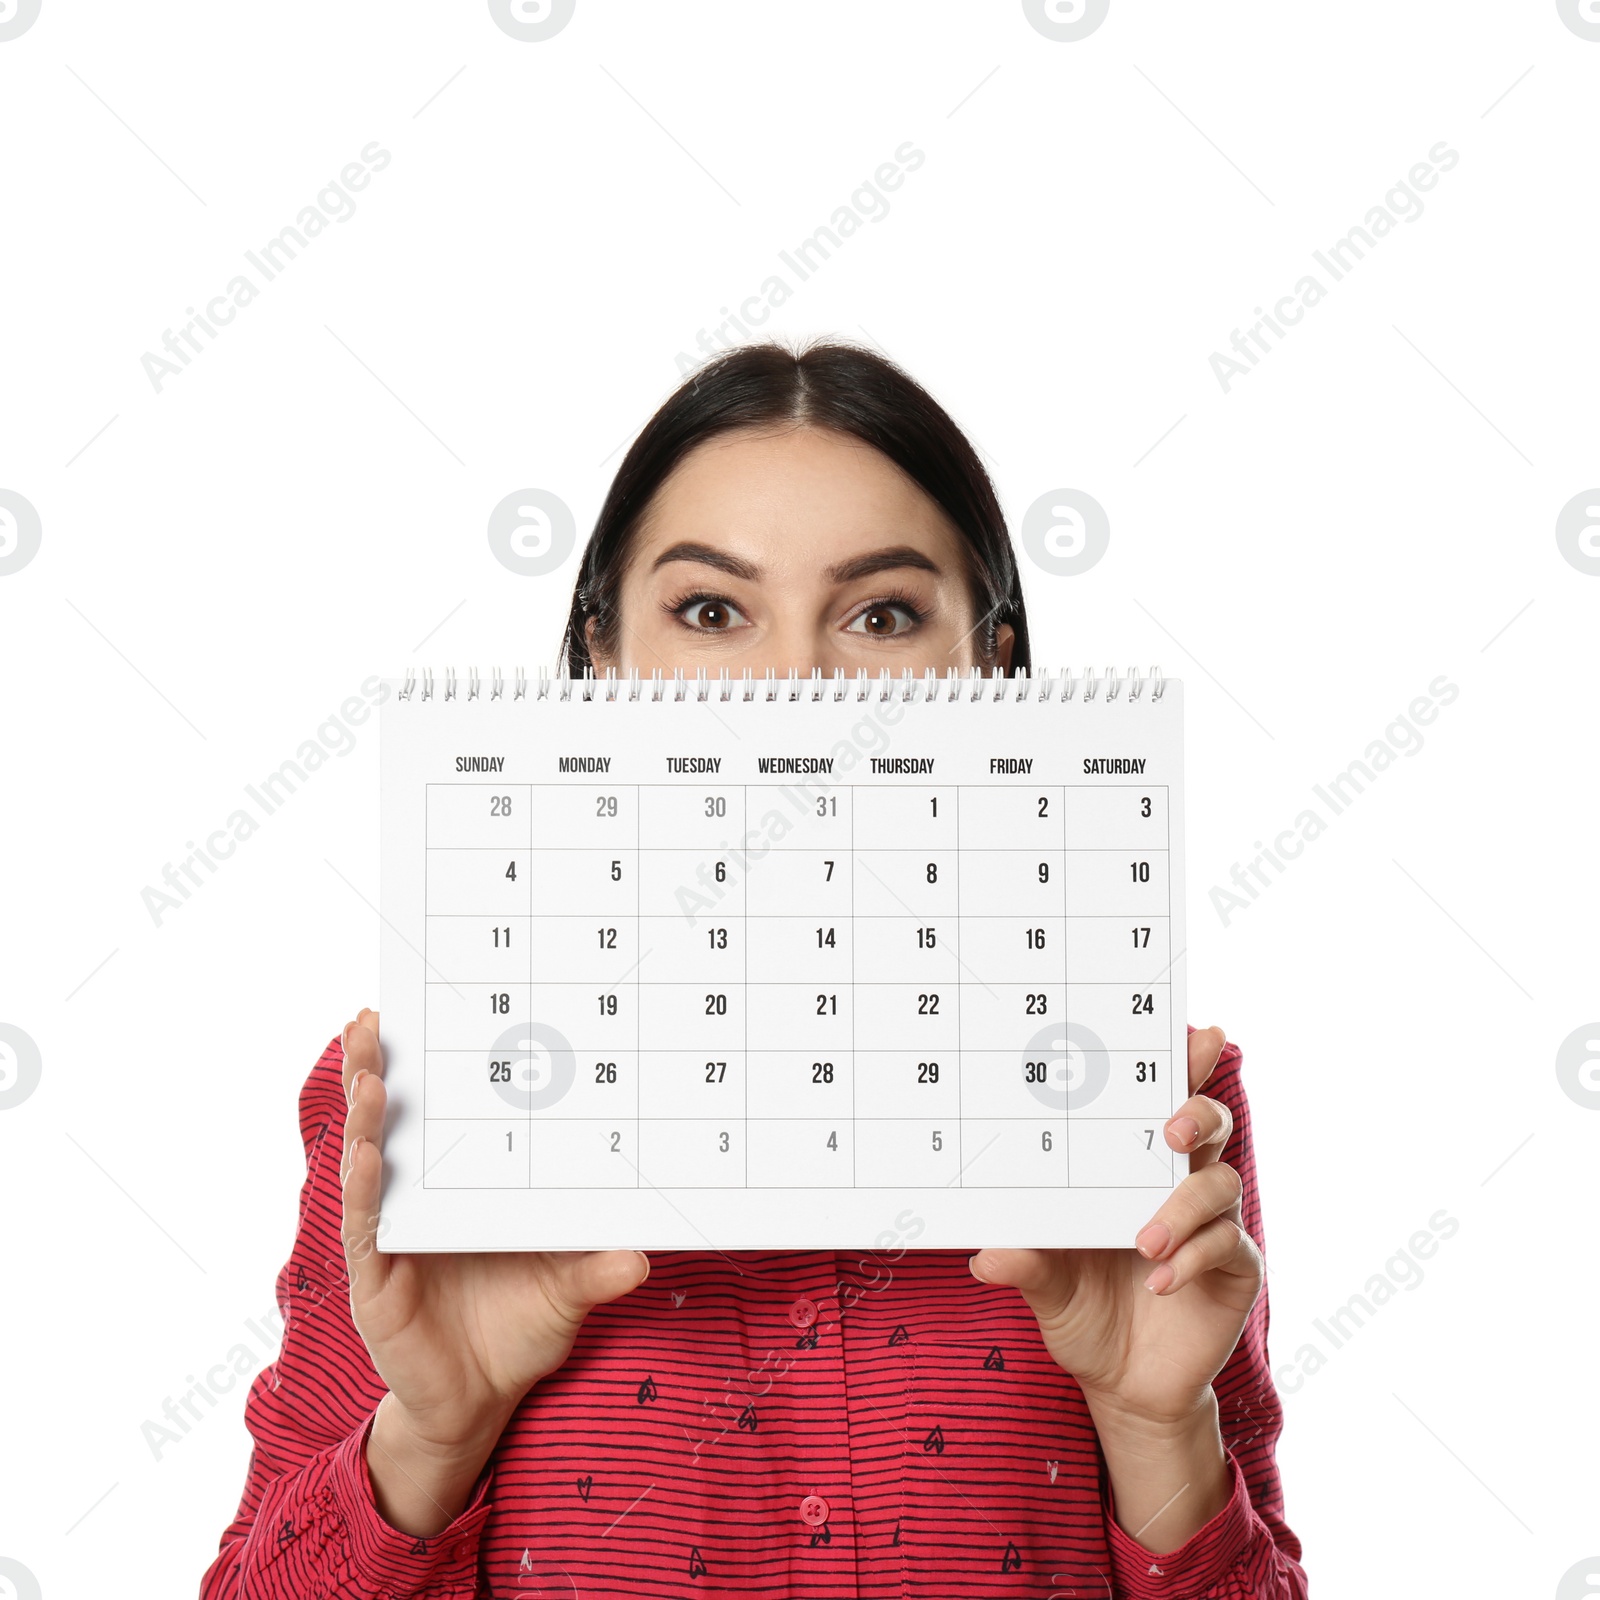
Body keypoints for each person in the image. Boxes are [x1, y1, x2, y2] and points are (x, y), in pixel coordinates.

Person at [202, 339, 1307, 1597]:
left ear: (990, 663)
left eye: (881, 613)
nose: (796, 686)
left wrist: (1156, 1425)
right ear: (601, 651)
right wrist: (432, 1434)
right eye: (712, 610)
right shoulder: (418, 1099)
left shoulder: (1146, 1106)